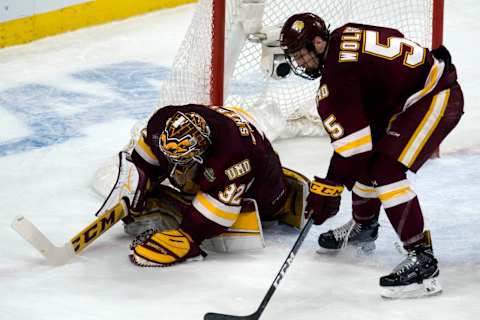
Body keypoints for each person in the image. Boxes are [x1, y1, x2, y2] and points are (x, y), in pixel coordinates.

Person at [279, 13, 464, 298]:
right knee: (369, 156)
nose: (300, 63)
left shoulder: (335, 78)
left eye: (301, 54)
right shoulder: (345, 32)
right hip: (412, 94)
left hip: (436, 95)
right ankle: (364, 225)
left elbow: (352, 151)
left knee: (385, 170)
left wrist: (328, 190)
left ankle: (423, 261)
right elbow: (394, 32)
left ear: (317, 42)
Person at [106, 103, 309, 268]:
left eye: (184, 161)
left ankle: (281, 197)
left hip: (261, 173)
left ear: (204, 152)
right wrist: (139, 182)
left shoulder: (232, 157)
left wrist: (187, 234)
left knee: (267, 203)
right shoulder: (161, 121)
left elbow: (219, 215)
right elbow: (143, 159)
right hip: (229, 122)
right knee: (179, 173)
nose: (175, 171)